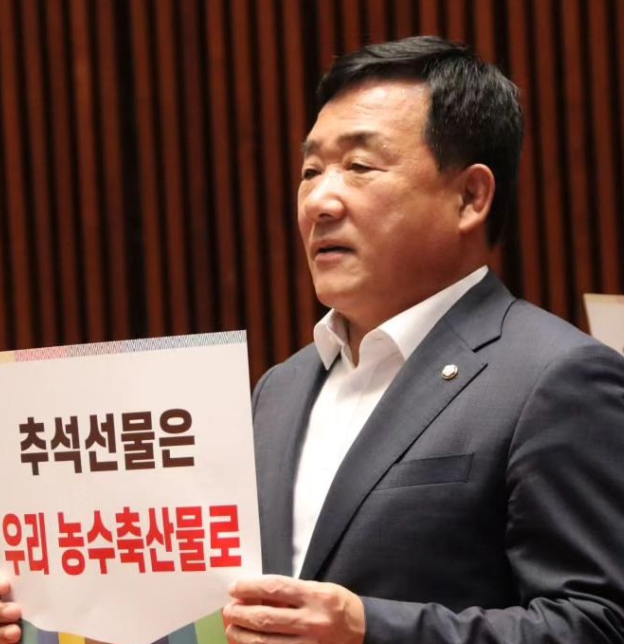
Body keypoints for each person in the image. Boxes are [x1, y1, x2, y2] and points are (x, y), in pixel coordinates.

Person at [2, 35, 624, 644]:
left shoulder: (556, 377)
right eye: (310, 171)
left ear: (470, 197)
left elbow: (600, 622)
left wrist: (369, 631)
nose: (319, 202)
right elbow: (225, 612)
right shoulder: (279, 389)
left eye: (359, 167)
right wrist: (42, 622)